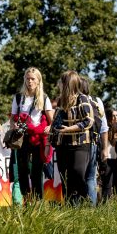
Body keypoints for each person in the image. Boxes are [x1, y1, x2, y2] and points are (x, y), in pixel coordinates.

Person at [8, 67, 53, 201]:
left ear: (38, 81)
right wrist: (13, 125)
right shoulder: (18, 97)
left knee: (37, 171)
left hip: (38, 138)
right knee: (22, 169)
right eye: (27, 79)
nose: (30, 81)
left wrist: (49, 128)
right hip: (22, 137)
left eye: (33, 79)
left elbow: (52, 121)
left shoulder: (44, 98)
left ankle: (38, 200)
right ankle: (25, 197)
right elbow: (12, 118)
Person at [50, 70, 94, 204]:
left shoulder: (82, 99)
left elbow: (89, 121)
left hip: (80, 144)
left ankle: (85, 203)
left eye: (61, 82)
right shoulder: (60, 101)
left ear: (68, 83)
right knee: (64, 176)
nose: (58, 84)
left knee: (78, 173)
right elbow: (57, 121)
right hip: (62, 144)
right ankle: (70, 207)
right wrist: (52, 131)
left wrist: (69, 129)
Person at [80, 77, 109, 205]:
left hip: (80, 144)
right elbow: (104, 127)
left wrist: (104, 148)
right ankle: (91, 208)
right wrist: (104, 148)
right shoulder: (97, 101)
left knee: (83, 177)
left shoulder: (77, 102)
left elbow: (104, 127)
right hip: (94, 143)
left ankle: (79, 207)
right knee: (91, 177)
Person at [102, 108, 117, 200]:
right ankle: (105, 205)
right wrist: (115, 139)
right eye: (113, 115)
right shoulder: (106, 128)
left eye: (116, 115)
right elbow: (112, 143)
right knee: (107, 184)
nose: (115, 117)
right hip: (108, 158)